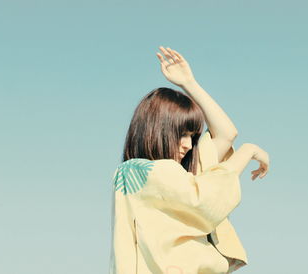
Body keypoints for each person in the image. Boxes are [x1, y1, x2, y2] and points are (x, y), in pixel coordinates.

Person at [109, 46, 270, 274]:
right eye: (181, 134)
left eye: (193, 136)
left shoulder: (177, 177)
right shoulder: (139, 171)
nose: (188, 144)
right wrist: (247, 151)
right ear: (158, 129)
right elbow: (203, 199)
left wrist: (189, 83)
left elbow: (226, 134)